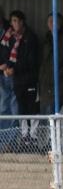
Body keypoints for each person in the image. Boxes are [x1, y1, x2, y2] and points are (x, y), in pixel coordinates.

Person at [3, 10, 39, 147]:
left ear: (22, 22)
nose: (14, 24)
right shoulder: (10, 37)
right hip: (17, 80)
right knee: (21, 108)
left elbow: (30, 61)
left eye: (16, 21)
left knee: (32, 108)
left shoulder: (30, 37)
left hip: (30, 79)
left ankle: (34, 138)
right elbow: (7, 55)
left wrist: (14, 68)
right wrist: (7, 67)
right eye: (12, 21)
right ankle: (25, 138)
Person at [0, 7, 18, 151]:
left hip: (10, 74)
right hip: (1, 72)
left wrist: (9, 66)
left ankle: (9, 143)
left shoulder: (9, 30)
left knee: (12, 108)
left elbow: (16, 52)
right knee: (3, 107)